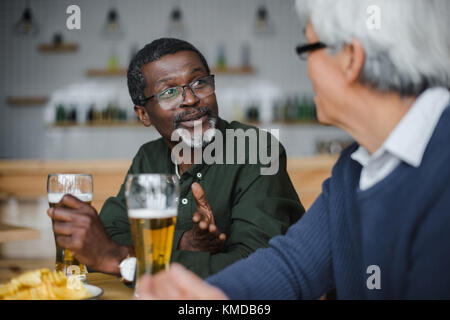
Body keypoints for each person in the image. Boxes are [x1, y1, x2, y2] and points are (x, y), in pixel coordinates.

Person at [134, 0, 450, 299]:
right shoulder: (354, 169)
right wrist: (205, 297)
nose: (307, 69)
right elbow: (293, 266)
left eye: (308, 48)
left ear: (351, 58)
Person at [47, 38, 304, 279]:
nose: (191, 99)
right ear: (143, 114)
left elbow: (258, 267)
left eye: (199, 82)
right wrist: (183, 242)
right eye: (169, 92)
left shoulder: (257, 148)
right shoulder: (149, 157)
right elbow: (109, 235)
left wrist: (122, 259)